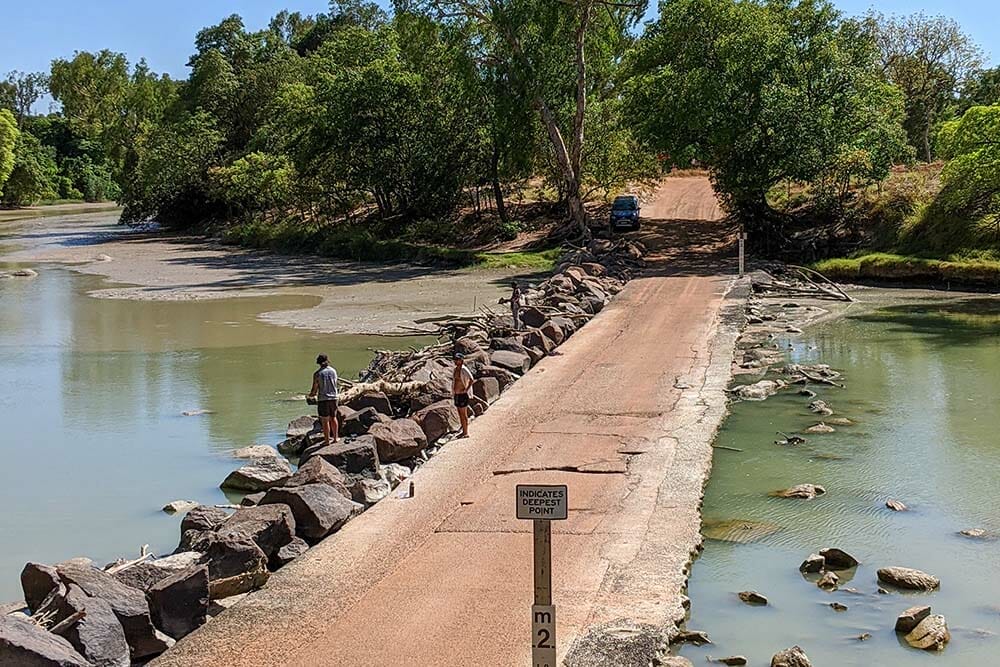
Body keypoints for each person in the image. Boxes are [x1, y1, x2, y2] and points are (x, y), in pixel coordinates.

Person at [308, 354, 339, 447]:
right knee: (333, 417)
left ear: (319, 363)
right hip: (334, 398)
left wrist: (310, 395)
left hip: (323, 399)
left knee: (325, 420)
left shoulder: (317, 374)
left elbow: (314, 389)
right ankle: (335, 438)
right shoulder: (333, 371)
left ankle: (327, 441)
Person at [452, 353, 474, 438]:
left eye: (457, 359)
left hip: (463, 395)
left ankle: (466, 432)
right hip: (456, 394)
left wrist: (466, 390)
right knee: (460, 414)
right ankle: (463, 431)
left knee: (463, 414)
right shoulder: (455, 369)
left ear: (461, 360)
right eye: (455, 359)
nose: (456, 361)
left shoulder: (464, 369)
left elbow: (471, 379)